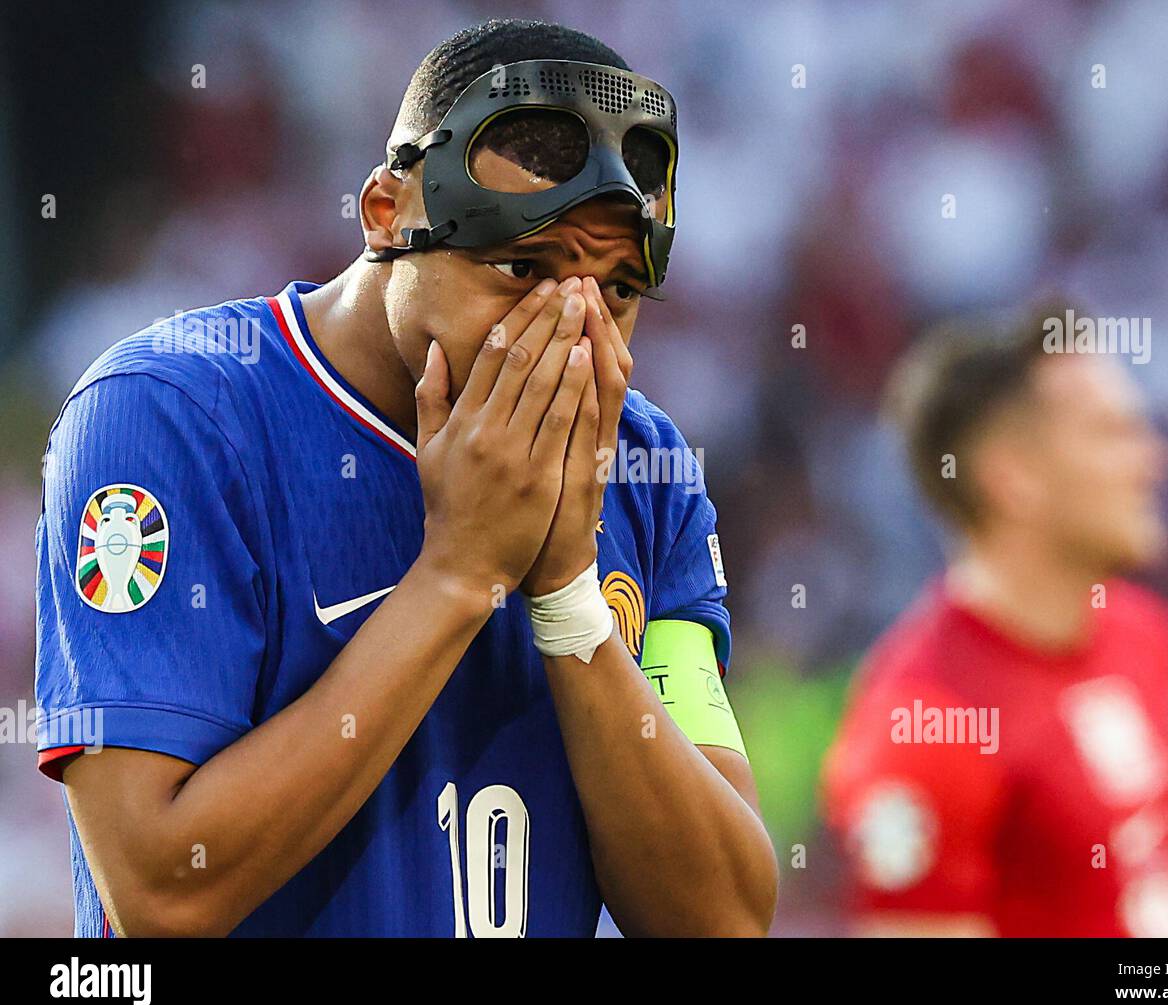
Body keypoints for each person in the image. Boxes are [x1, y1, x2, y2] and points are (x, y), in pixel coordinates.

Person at [34, 18, 776, 938]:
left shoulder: (643, 466)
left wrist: (568, 599)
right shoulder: (168, 416)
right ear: (388, 213)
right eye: (520, 266)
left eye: (618, 290)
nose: (572, 337)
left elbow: (724, 919)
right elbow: (160, 889)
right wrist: (458, 576)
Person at [821, 305, 1168, 937]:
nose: (1154, 458)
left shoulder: (1149, 636)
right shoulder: (925, 725)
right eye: (1114, 433)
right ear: (1013, 476)